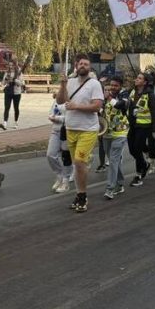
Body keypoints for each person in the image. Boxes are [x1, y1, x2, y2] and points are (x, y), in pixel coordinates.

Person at [56, 53, 104, 213]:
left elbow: (97, 106)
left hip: (88, 129)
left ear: (89, 67)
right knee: (77, 166)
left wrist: (76, 106)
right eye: (80, 63)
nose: (83, 66)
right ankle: (79, 194)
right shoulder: (70, 82)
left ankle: (82, 196)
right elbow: (60, 101)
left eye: (86, 64)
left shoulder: (94, 84)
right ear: (76, 66)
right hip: (71, 128)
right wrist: (62, 85)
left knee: (79, 161)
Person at [127, 72, 155, 185]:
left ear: (145, 82)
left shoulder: (150, 94)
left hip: (144, 125)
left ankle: (139, 173)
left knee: (137, 148)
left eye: (139, 78)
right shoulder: (133, 92)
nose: (136, 79)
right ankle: (144, 164)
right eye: (137, 77)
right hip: (132, 125)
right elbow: (128, 106)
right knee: (132, 149)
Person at [102, 76, 129, 199]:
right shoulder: (105, 96)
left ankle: (110, 189)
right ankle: (120, 183)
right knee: (114, 160)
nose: (113, 87)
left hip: (120, 133)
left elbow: (119, 105)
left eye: (115, 85)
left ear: (120, 86)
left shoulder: (125, 95)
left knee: (113, 160)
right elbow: (101, 111)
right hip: (107, 132)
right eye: (111, 85)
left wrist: (108, 97)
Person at [46, 97, 74, 193]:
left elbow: (72, 117)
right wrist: (51, 117)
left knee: (66, 156)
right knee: (50, 154)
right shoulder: (58, 99)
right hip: (55, 131)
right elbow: (51, 112)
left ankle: (65, 181)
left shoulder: (72, 99)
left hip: (68, 131)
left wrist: (57, 118)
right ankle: (59, 175)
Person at [0, 61, 25, 129]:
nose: (10, 67)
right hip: (8, 92)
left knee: (16, 108)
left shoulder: (19, 73)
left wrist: (15, 80)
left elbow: (22, 83)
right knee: (6, 107)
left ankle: (16, 122)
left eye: (12, 65)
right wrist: (5, 81)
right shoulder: (7, 73)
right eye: (9, 65)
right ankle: (5, 123)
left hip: (16, 93)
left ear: (15, 66)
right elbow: (3, 83)